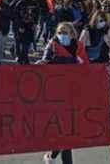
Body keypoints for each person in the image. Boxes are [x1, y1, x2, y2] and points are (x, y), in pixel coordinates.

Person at [40, 22, 89, 164]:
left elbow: (86, 67)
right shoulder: (52, 45)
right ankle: (55, 157)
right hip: (55, 93)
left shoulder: (78, 46)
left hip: (73, 92)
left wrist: (78, 63)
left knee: (66, 131)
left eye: (65, 32)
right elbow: (45, 62)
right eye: (60, 32)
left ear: (72, 34)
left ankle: (52, 156)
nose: (62, 35)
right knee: (65, 132)